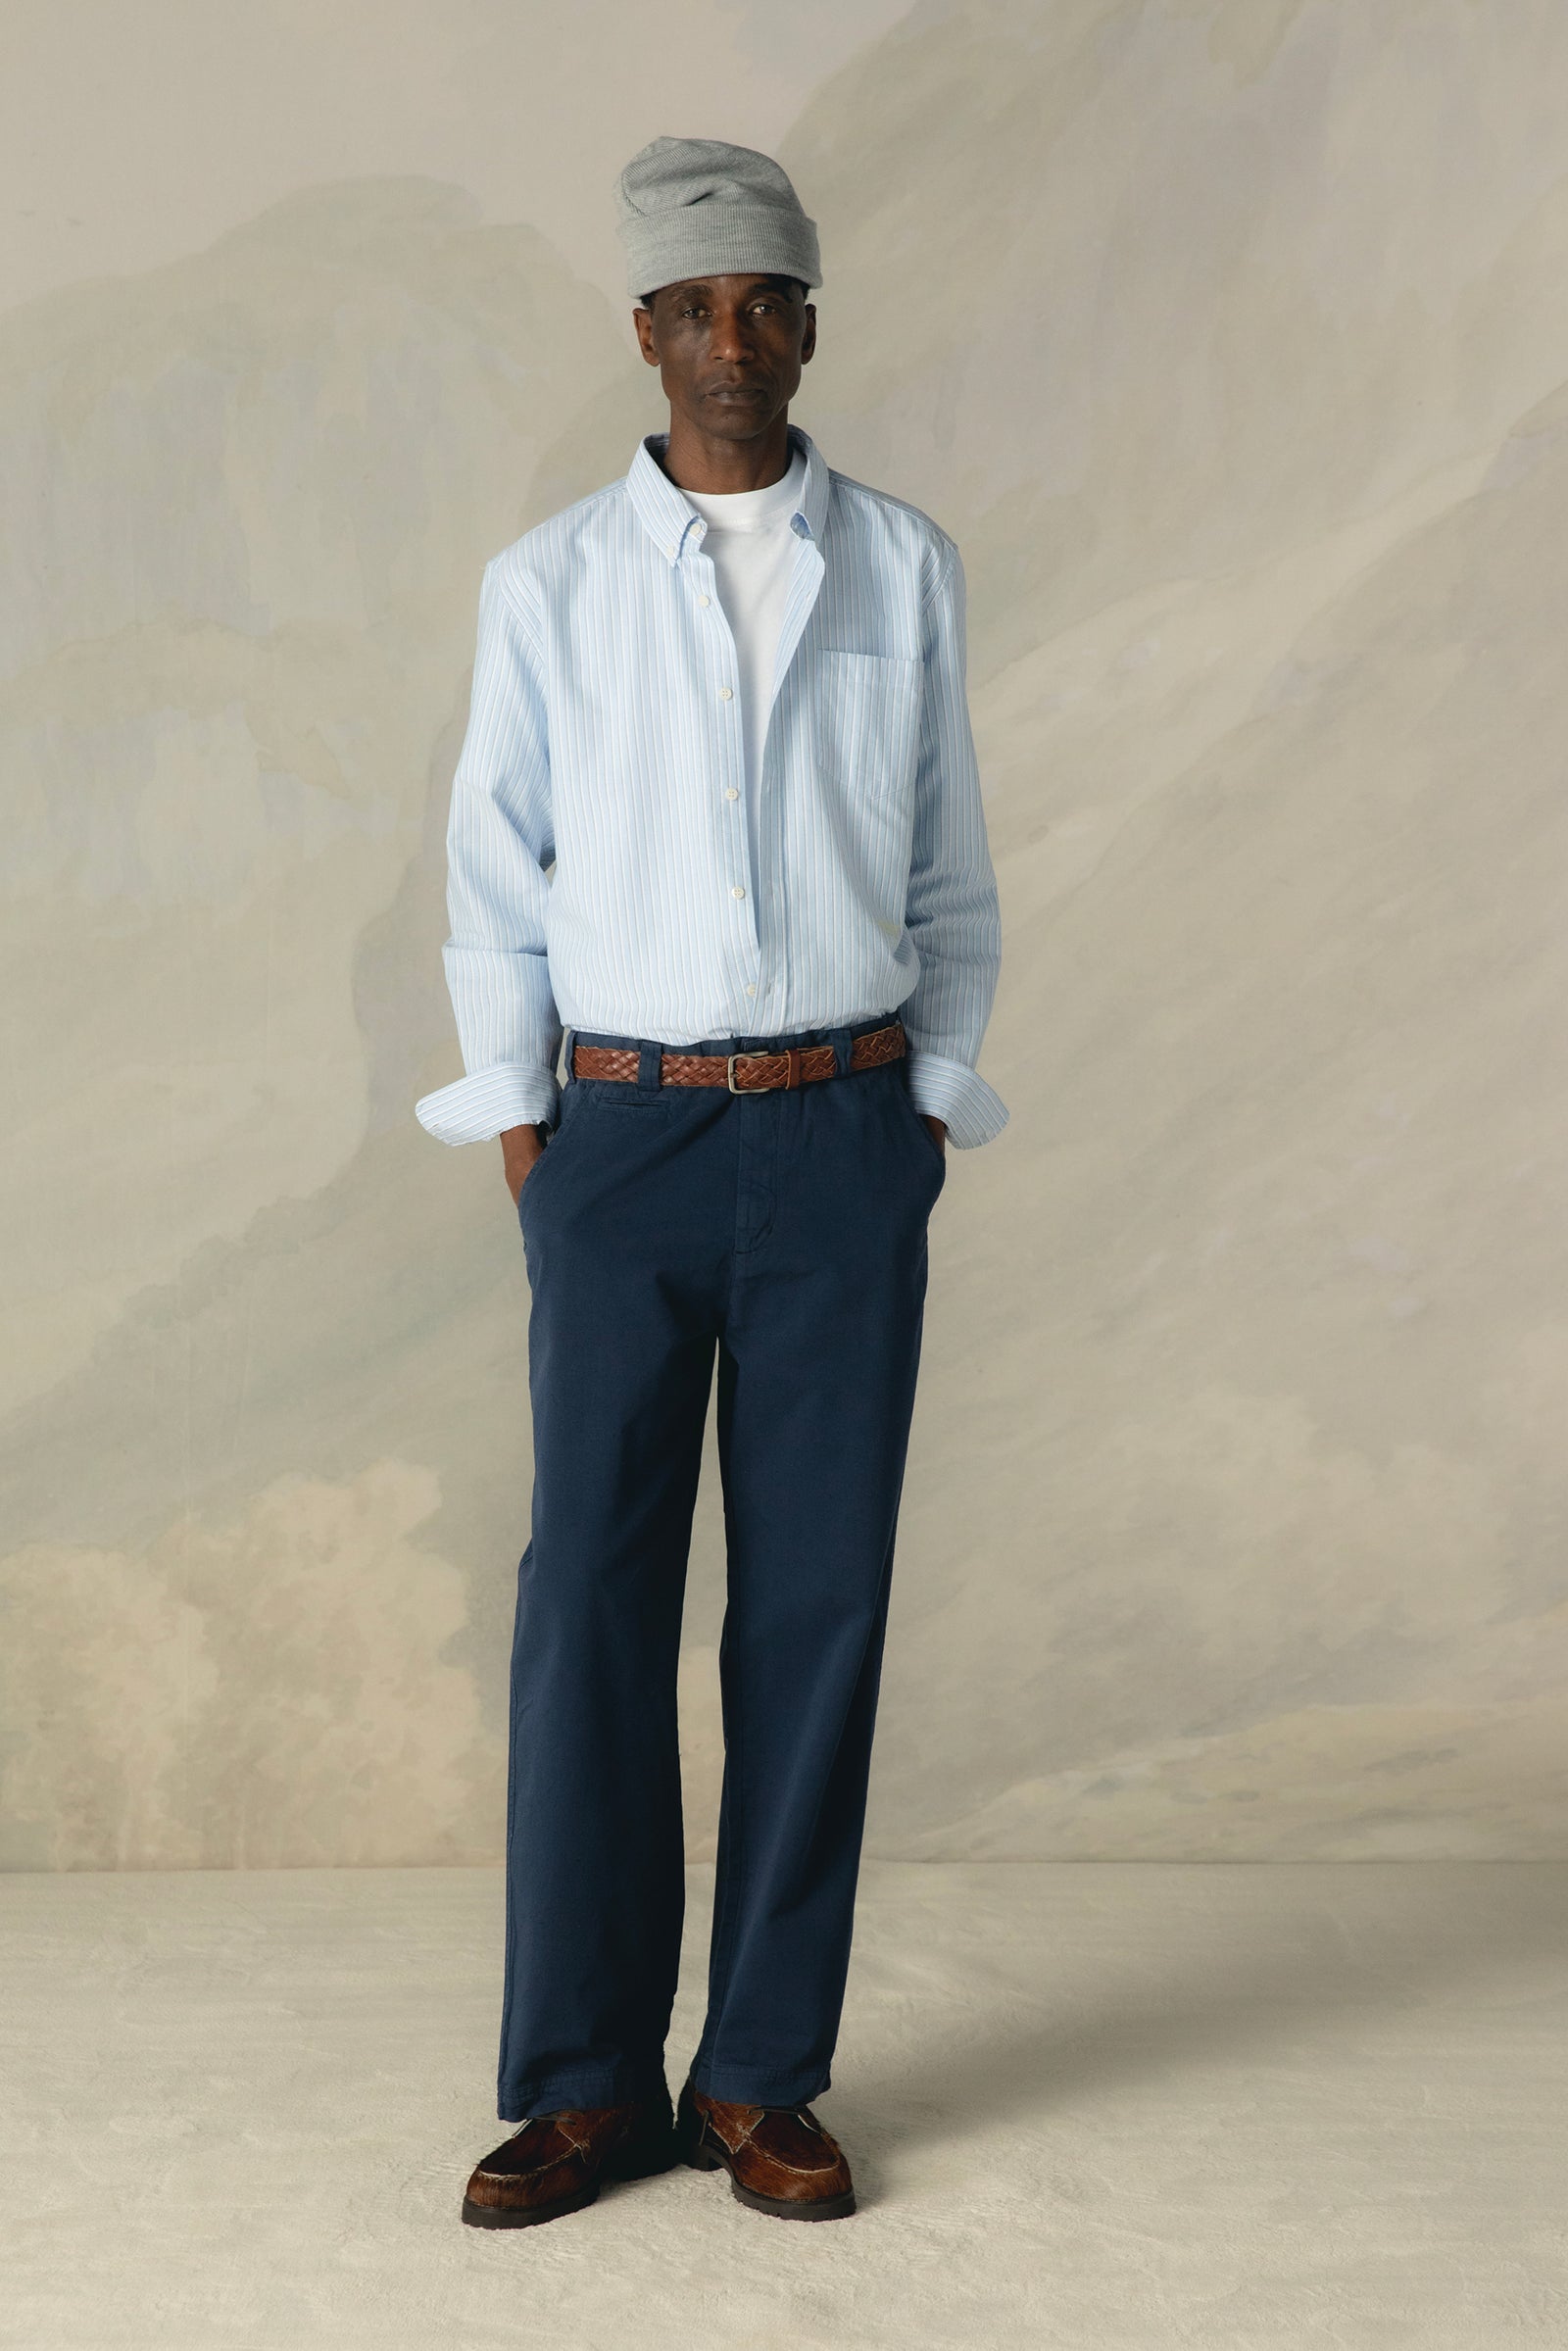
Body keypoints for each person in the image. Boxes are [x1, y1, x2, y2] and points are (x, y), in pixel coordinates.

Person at [416, 134, 1007, 2229]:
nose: (731, 340)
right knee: (589, 1598)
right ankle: (583, 2082)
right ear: (644, 334)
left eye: (765, 303)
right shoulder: (550, 585)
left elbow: (945, 868)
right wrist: (532, 1143)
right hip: (623, 1138)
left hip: (843, 1134)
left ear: (807, 326)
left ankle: (758, 2073)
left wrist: (921, 1109)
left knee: (817, 1606)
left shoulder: (903, 568)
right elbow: (492, 879)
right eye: (695, 307)